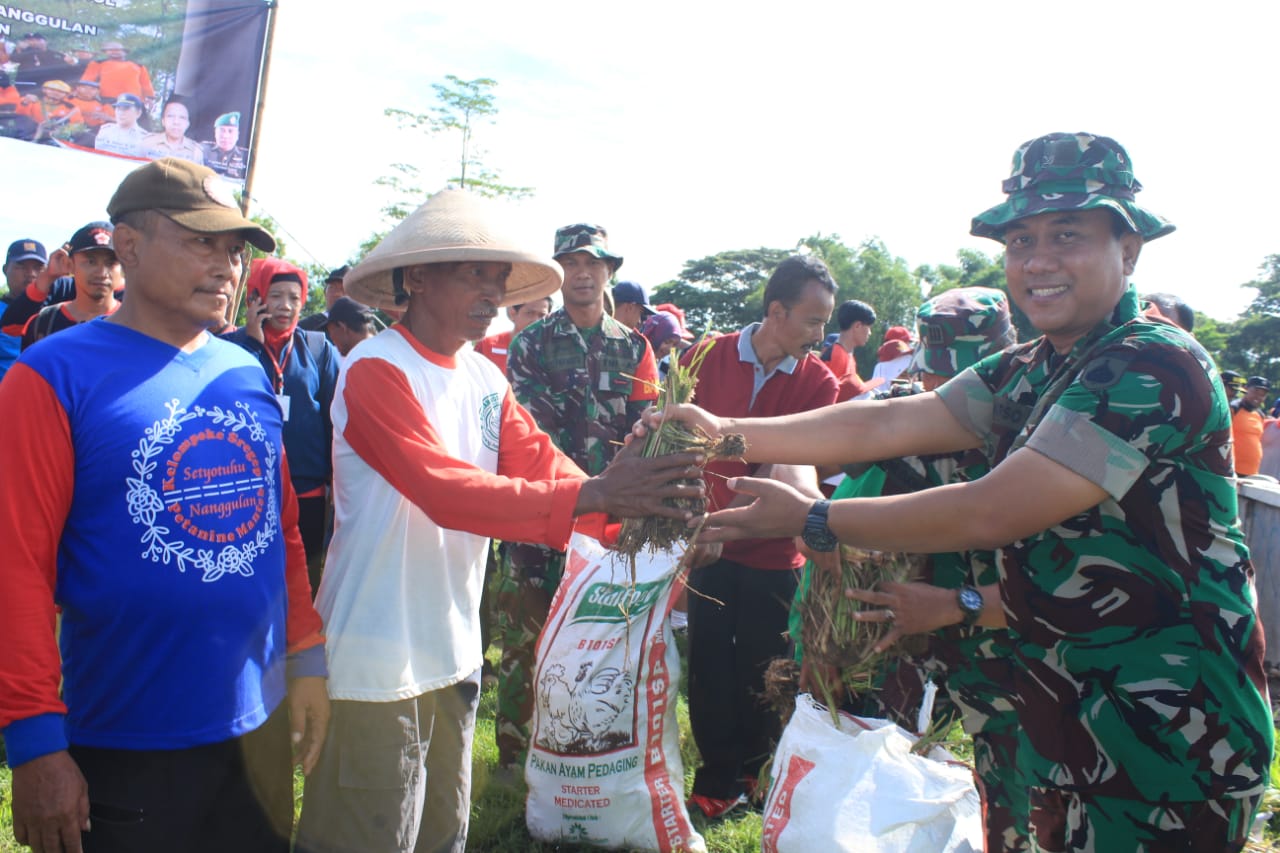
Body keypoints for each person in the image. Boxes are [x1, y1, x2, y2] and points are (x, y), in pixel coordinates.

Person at [655, 132, 1272, 852]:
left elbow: (993, 508)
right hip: (1046, 723)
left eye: (1066, 233)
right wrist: (728, 433)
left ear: (1129, 248)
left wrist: (818, 518)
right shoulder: (1031, 367)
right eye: (1020, 239)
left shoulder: (1150, 362)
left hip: (1161, 739)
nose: (1037, 260)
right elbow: (892, 419)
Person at [293, 190, 702, 853]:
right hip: (376, 658)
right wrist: (602, 493)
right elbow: (442, 489)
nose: (492, 292)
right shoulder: (376, 369)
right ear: (417, 277)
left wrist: (645, 530)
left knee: (440, 833)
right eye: (472, 272)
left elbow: (540, 463)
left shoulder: (484, 377)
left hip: (452, 652)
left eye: (498, 277)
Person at [0, 157, 328, 853]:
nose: (227, 266)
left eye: (235, 249)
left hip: (256, 731)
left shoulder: (243, 370)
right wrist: (33, 741)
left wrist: (306, 655)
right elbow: (15, 564)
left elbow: (281, 533)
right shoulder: (50, 377)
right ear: (129, 245)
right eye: (201, 242)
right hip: (125, 740)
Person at [793, 286, 1027, 851]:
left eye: (959, 379)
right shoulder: (894, 404)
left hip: (995, 633)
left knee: (1012, 785)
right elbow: (799, 449)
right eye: (933, 378)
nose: (940, 393)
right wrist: (815, 518)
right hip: (888, 633)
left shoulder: (1036, 424)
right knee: (870, 765)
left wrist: (958, 605)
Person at [677, 253, 838, 820]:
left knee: (766, 665)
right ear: (776, 310)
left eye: (825, 323)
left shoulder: (819, 380)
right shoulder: (702, 356)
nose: (821, 336)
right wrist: (697, 524)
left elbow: (792, 461)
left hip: (773, 550)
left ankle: (757, 768)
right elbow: (676, 442)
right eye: (813, 321)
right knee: (710, 662)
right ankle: (716, 778)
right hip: (705, 544)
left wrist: (738, 520)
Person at [496, 222, 660, 771]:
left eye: (594, 263)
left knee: (599, 641)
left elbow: (647, 429)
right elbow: (528, 434)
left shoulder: (635, 348)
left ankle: (582, 751)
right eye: (572, 263)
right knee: (527, 640)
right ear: (558, 272)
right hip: (543, 515)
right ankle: (515, 758)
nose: (583, 273)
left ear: (609, 272)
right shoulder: (531, 345)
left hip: (610, 525)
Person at [224, 258, 340, 596]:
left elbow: (334, 418)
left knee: (303, 579)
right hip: (246, 485)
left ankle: (300, 646)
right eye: (275, 296)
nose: (286, 306)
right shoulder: (230, 348)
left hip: (306, 487)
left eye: (294, 297)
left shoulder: (319, 350)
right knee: (249, 576)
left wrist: (336, 478)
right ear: (256, 298)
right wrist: (252, 343)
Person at [2, 222, 121, 349]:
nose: (102, 273)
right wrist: (49, 275)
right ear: (69, 264)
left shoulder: (137, 321)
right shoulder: (46, 321)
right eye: (91, 262)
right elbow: (11, 328)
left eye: (111, 262)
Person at [0, 238, 46, 378]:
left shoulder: (56, 313)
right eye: (21, 266)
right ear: (5, 269)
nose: (30, 273)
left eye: (38, 268)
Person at [474, 295, 552, 373]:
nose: (536, 320)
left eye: (542, 315)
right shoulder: (487, 345)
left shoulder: (555, 351)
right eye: (530, 313)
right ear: (513, 313)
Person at [823, 298, 878, 401]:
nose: (870, 333)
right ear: (857, 326)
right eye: (869, 327)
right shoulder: (836, 356)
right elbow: (827, 399)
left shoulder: (848, 355)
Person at [78, 41, 155, 104]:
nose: (114, 52)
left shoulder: (138, 66)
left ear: (124, 52)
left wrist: (149, 97)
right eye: (110, 50)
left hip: (133, 100)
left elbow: (146, 84)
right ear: (106, 52)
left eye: (117, 50)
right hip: (107, 100)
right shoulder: (98, 64)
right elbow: (86, 81)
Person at [142, 97, 204, 164]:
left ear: (188, 124)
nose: (176, 122)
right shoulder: (147, 143)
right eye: (170, 116)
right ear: (163, 121)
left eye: (182, 117)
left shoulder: (196, 152)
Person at [1231, 376, 1270, 476]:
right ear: (1246, 389)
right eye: (1256, 392)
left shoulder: (1260, 415)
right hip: (1232, 469)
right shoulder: (1234, 408)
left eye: (1263, 394)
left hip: (1252, 471)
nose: (1258, 397)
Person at [93, 93, 148, 157]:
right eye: (118, 108)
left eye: (126, 109)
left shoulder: (144, 138)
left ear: (138, 113)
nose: (121, 113)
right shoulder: (105, 131)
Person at [298, 265, 350, 331]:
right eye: (333, 288)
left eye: (343, 289)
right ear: (325, 293)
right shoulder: (305, 327)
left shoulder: (362, 328)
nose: (337, 294)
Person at [201, 112, 248, 180]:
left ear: (237, 135)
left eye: (230, 131)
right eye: (222, 131)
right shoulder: (202, 150)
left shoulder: (246, 156)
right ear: (215, 133)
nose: (225, 136)